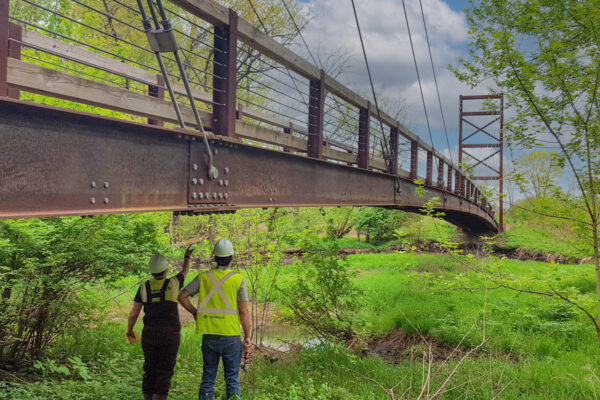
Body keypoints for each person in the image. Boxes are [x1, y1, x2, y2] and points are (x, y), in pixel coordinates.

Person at [178, 238, 252, 400]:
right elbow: (244, 312)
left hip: (209, 335)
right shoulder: (238, 279)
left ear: (215, 257)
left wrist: (195, 312)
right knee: (232, 378)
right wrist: (247, 336)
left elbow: (182, 296)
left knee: (208, 378)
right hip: (231, 336)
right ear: (232, 257)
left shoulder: (203, 277)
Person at [126, 246, 193, 400]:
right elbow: (185, 272)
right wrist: (187, 258)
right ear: (166, 270)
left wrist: (130, 330)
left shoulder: (143, 287)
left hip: (149, 335)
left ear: (151, 270)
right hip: (170, 335)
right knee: (165, 371)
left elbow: (133, 314)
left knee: (150, 369)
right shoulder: (174, 283)